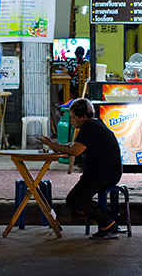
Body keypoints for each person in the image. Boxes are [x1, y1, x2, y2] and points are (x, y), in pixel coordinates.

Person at [39, 98, 125, 239]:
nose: (72, 120)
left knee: (74, 199)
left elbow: (75, 150)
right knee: (78, 198)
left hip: (102, 174)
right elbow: (75, 145)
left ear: (83, 117)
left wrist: (51, 145)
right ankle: (109, 216)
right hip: (108, 172)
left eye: (74, 117)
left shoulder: (89, 128)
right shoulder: (96, 124)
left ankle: (106, 222)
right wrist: (60, 146)